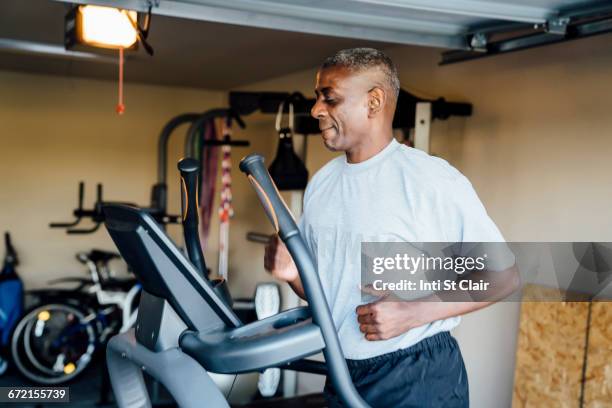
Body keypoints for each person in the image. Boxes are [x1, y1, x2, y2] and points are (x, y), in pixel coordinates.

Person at [264, 48, 517, 407]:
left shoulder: (431, 179)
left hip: (419, 372)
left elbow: (503, 276)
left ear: (374, 101)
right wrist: (291, 275)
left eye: (329, 98)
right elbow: (328, 294)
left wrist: (414, 312)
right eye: (318, 98)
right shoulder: (322, 184)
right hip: (344, 370)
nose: (317, 110)